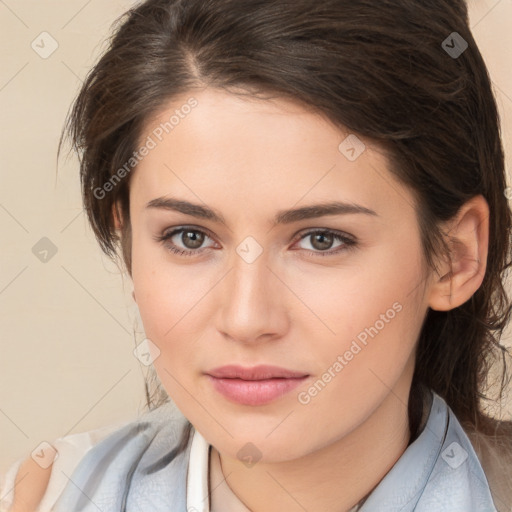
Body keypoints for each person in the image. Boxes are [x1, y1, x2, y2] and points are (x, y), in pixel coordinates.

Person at [2, 0, 512, 510]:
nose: (246, 319)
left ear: (455, 256)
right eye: (190, 237)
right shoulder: (48, 494)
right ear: (129, 240)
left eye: (321, 239)